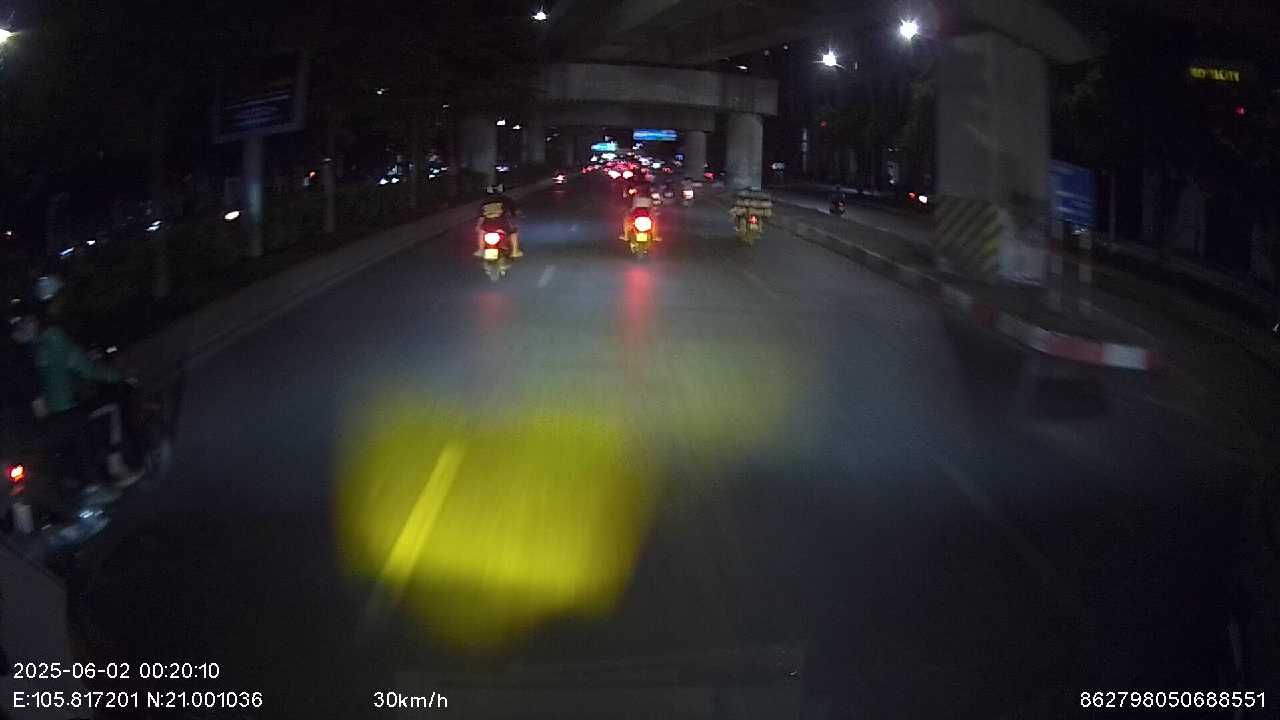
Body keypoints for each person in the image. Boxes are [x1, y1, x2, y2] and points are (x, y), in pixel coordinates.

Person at [30, 275, 143, 489]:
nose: (64, 302)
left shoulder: (40, 339)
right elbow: (89, 370)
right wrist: (121, 375)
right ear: (54, 302)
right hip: (68, 407)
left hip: (54, 408)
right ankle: (116, 467)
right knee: (113, 407)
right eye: (61, 298)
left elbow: (59, 369)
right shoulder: (56, 337)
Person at [474, 184, 522, 258]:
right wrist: (517, 217)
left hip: (487, 225)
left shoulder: (484, 202)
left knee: (481, 232)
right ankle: (515, 252)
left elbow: (481, 217)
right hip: (502, 224)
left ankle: (480, 250)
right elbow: (515, 211)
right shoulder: (506, 199)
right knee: (513, 232)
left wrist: (478, 227)